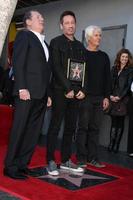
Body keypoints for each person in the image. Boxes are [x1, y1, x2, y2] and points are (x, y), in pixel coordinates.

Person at [4, 10, 51, 180]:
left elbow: (47, 71)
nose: (42, 19)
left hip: (41, 95)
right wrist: (22, 88)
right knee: (19, 130)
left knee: (33, 132)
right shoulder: (24, 36)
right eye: (39, 17)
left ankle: (22, 165)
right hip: (27, 93)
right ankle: (10, 166)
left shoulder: (45, 43)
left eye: (42, 17)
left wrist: (49, 94)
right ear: (28, 22)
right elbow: (18, 61)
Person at [46, 11, 87, 176]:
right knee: (55, 126)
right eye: (67, 23)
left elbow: (84, 70)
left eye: (73, 22)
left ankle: (65, 160)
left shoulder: (80, 46)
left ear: (75, 24)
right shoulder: (55, 43)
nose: (70, 25)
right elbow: (55, 67)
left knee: (70, 127)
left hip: (76, 94)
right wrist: (68, 88)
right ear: (61, 25)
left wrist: (82, 90)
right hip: (59, 91)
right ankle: (50, 160)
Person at [76, 25, 111, 168]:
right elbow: (76, 76)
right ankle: (81, 158)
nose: (99, 38)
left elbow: (107, 79)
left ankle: (93, 158)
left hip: (99, 98)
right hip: (85, 97)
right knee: (83, 128)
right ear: (89, 38)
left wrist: (106, 97)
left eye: (100, 35)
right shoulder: (81, 54)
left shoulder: (104, 56)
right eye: (96, 35)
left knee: (95, 129)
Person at [108, 49, 133, 153]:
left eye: (126, 57)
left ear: (128, 59)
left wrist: (120, 96)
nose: (124, 59)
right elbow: (109, 83)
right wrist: (110, 95)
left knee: (120, 122)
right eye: (123, 57)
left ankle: (116, 146)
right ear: (119, 57)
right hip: (112, 98)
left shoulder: (130, 70)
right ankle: (111, 143)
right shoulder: (114, 68)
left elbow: (128, 86)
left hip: (123, 100)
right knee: (113, 122)